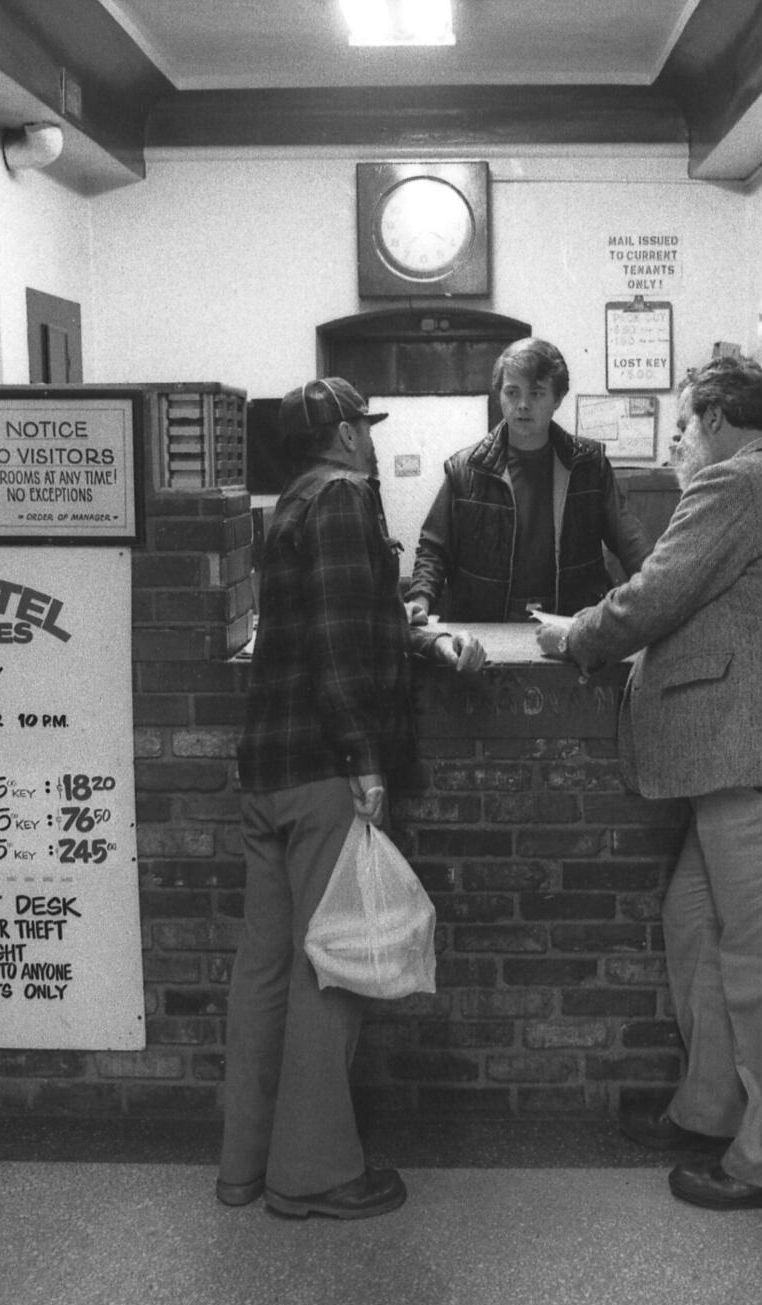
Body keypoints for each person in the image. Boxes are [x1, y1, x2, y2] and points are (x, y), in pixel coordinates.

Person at [535, 355, 762, 1210]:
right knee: (696, 923)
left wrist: (571, 634)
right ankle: (714, 1105)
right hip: (747, 761)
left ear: (718, 419)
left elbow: (653, 593)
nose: (678, 444)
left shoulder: (737, 483)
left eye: (683, 426)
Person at [220, 376, 485, 1221]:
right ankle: (314, 1173)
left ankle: (246, 1165)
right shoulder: (341, 498)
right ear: (339, 434)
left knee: (263, 969)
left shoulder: (291, 505)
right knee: (331, 970)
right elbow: (339, 642)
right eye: (363, 426)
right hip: (322, 772)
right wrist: (364, 760)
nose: (370, 441)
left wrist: (417, 632)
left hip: (267, 771)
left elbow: (338, 618)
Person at [406, 337, 653, 623]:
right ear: (499, 395)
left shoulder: (589, 465)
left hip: (572, 623)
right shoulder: (465, 470)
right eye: (512, 392)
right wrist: (420, 599)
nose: (522, 405)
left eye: (536, 394)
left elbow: (629, 540)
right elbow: (434, 548)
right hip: (488, 624)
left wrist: (659, 591)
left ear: (557, 399)